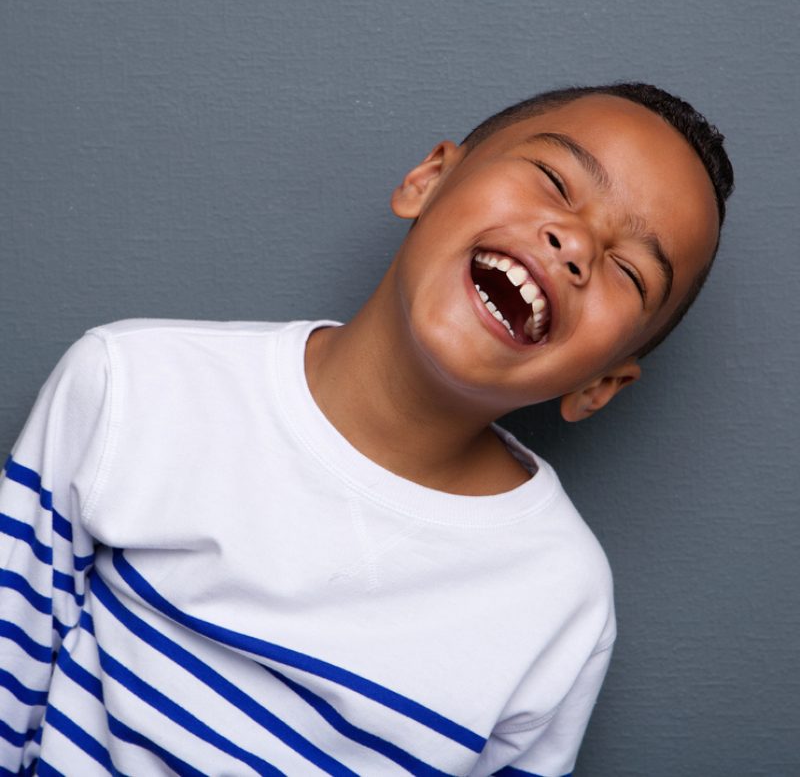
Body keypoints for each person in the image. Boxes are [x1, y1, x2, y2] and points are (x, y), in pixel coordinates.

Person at [0, 83, 733, 775]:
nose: (574, 246)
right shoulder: (134, 385)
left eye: (630, 273)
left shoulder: (563, 602)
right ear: (428, 179)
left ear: (600, 385)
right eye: (555, 180)